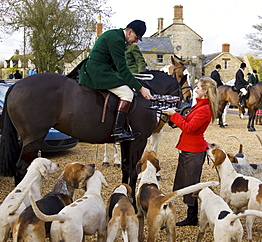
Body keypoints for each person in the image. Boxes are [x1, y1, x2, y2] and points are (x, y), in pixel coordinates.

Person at [78, 20, 153, 143]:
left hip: (101, 69)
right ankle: (118, 130)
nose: (136, 41)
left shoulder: (115, 35)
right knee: (127, 93)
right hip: (98, 72)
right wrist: (140, 88)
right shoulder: (117, 40)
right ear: (129, 32)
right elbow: (122, 68)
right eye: (136, 37)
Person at [162, 76, 218, 227]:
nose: (196, 89)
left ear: (205, 91)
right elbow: (187, 122)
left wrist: (173, 115)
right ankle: (190, 216)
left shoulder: (205, 109)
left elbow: (189, 128)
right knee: (185, 183)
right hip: (188, 148)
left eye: (198, 87)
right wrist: (173, 114)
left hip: (194, 151)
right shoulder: (199, 105)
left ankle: (192, 218)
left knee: (192, 185)